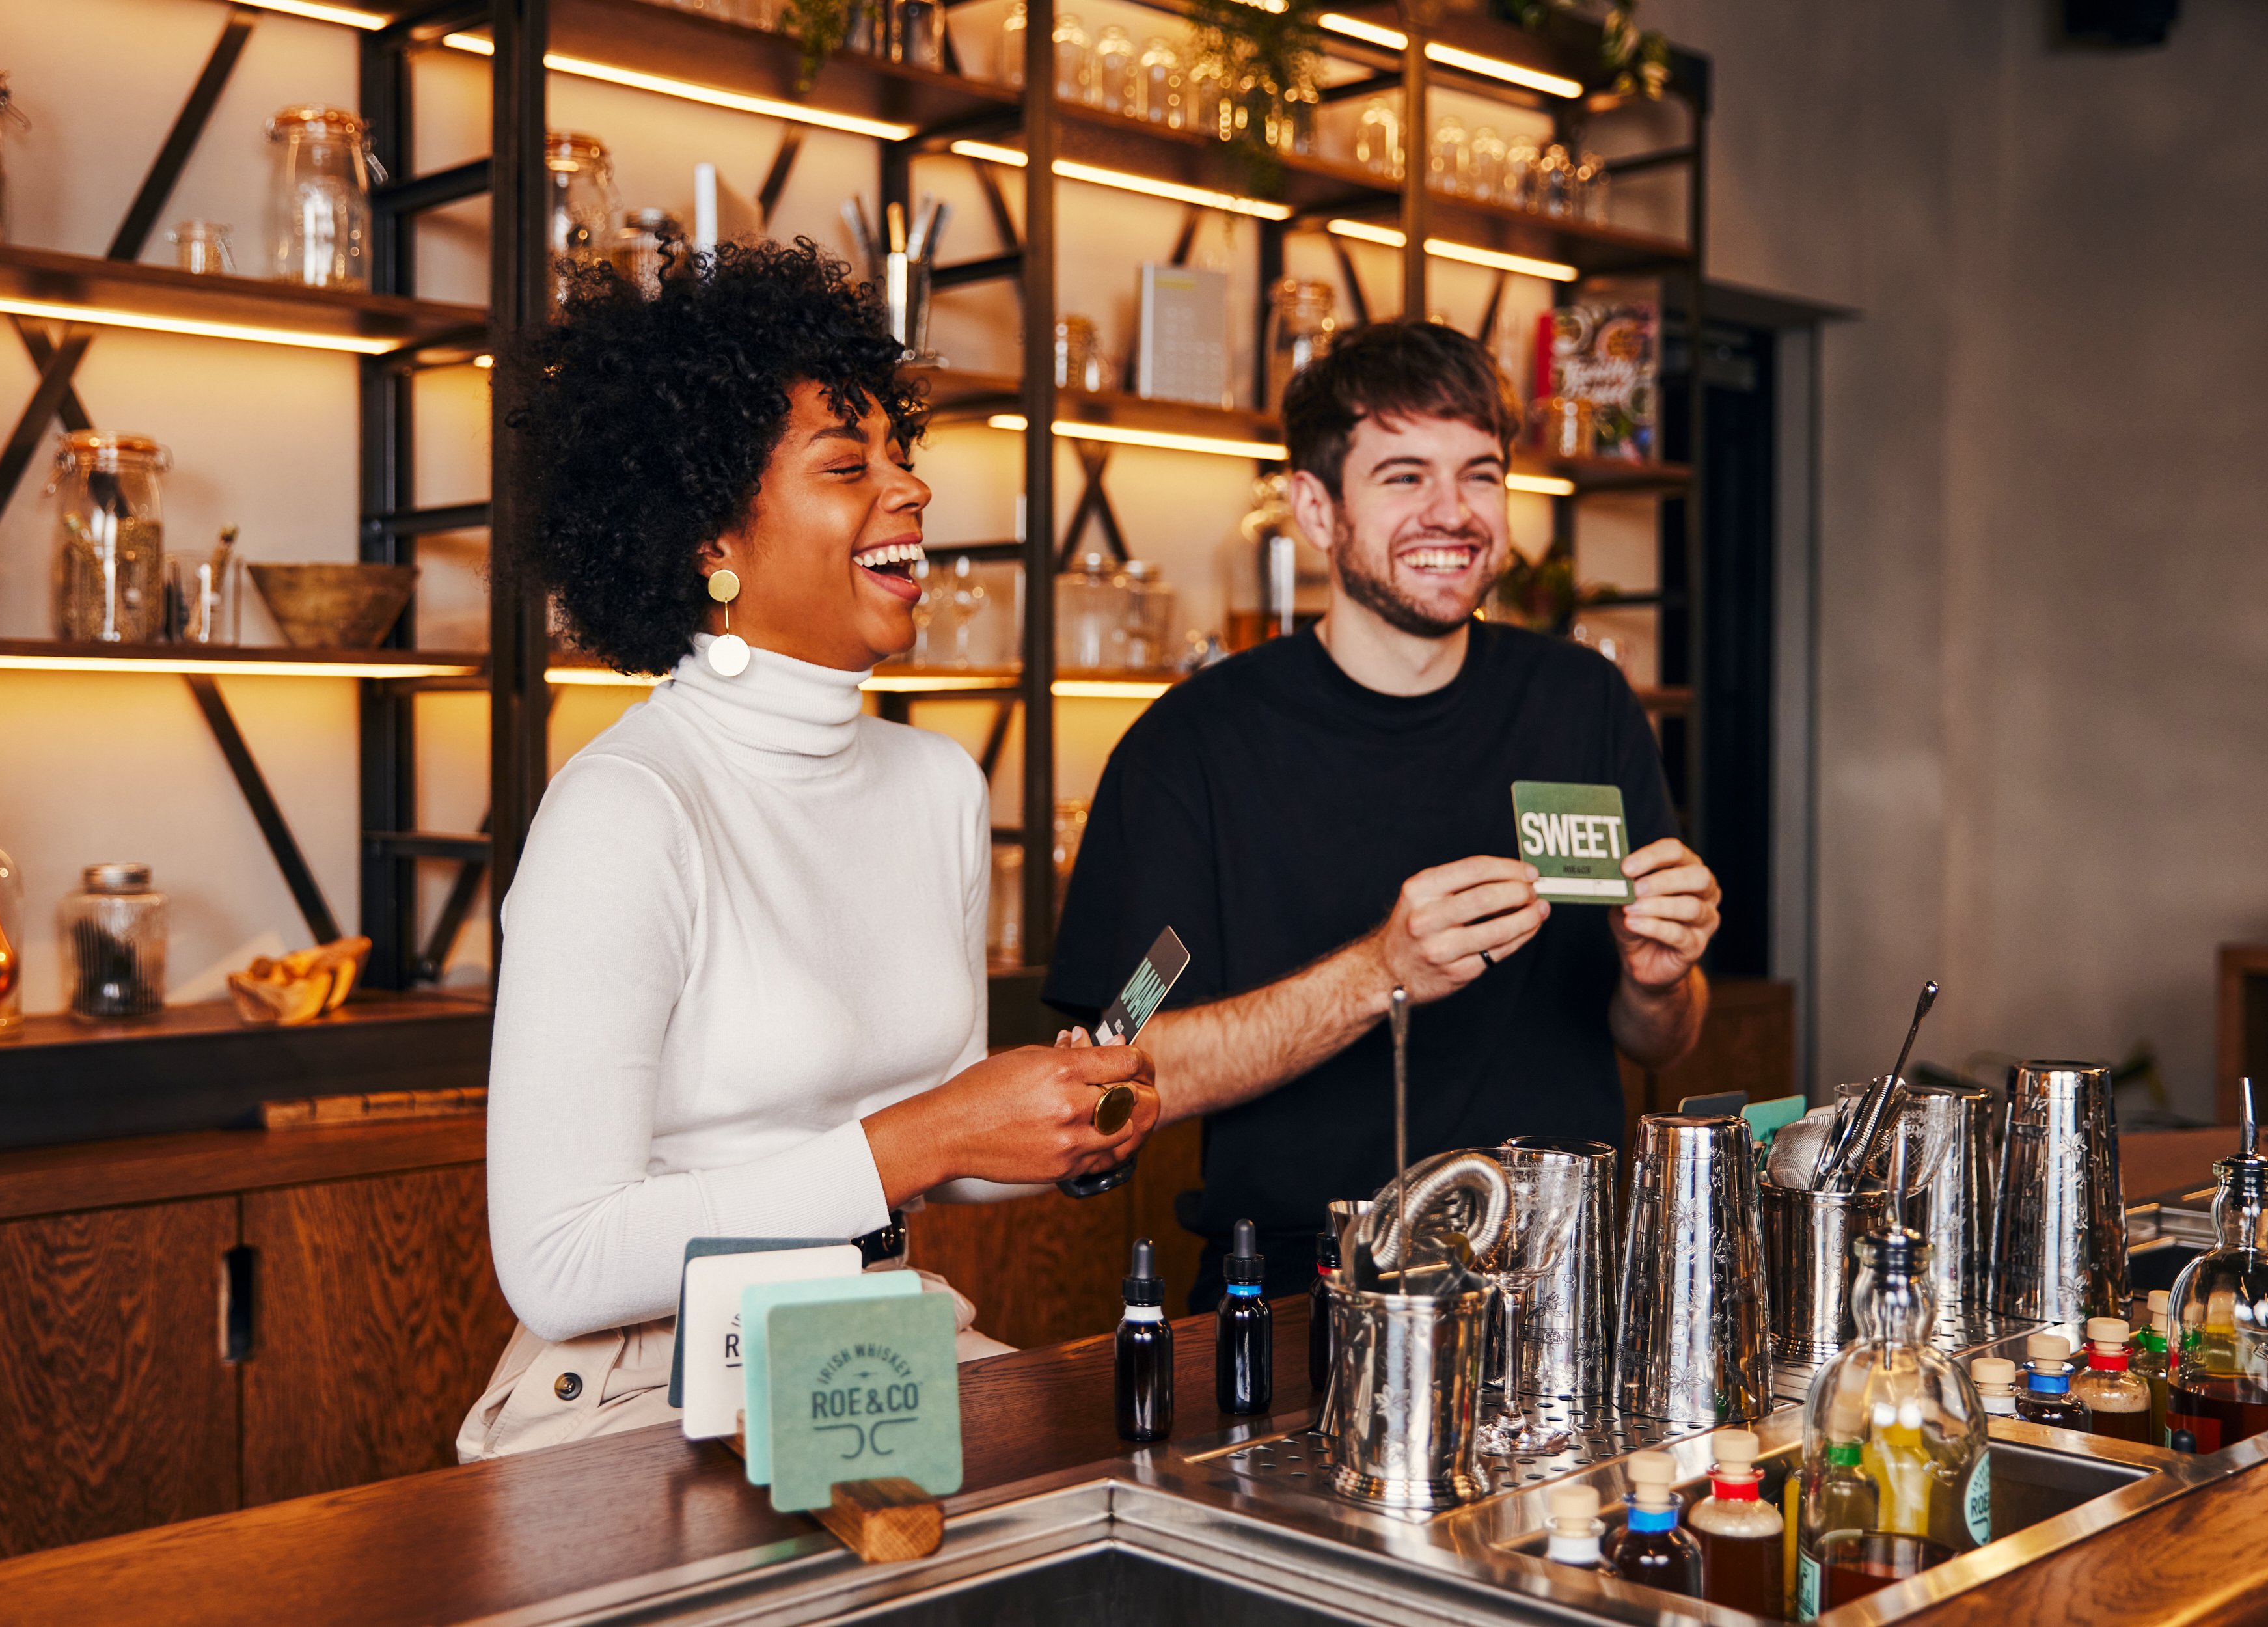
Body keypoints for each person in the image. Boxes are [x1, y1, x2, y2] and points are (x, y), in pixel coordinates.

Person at [459, 241, 1158, 1458]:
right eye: (848, 466)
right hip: (648, 1386)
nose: (910, 492)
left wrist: (1055, 1126)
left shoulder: (936, 784)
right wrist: (931, 1137)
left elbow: (919, 1146)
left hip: (872, 1342)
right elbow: (558, 1262)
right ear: (710, 540)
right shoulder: (626, 809)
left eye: (904, 458)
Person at [1045, 320, 1719, 1311]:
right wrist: (1379, 974)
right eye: (1404, 476)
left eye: (1480, 474)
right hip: (1293, 1305)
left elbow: (1661, 1038)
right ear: (1316, 509)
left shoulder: (1583, 703)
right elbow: (1120, 1079)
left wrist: (1663, 979)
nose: (1453, 512)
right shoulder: (1188, 748)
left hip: (1568, 1292)